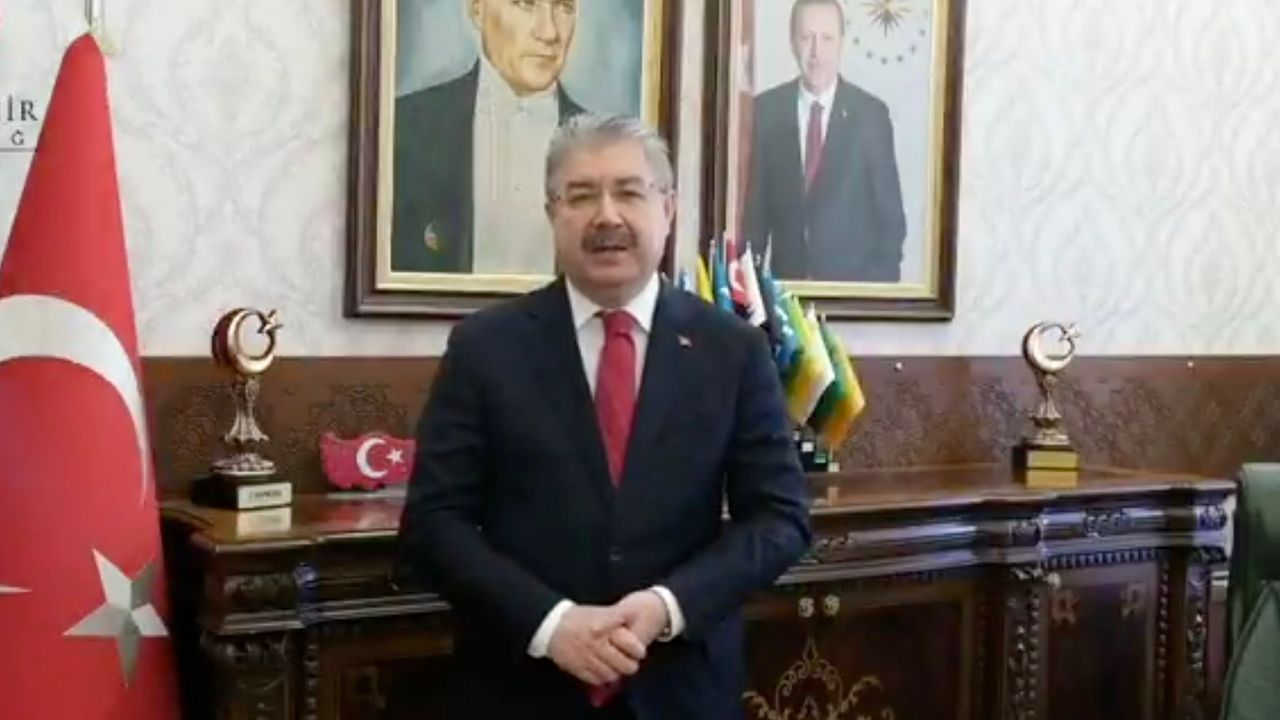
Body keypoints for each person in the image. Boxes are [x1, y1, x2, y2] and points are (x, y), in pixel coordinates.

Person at [398, 113, 813, 719]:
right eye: (581, 195)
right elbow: (433, 526)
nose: (607, 216)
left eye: (629, 192)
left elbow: (780, 519)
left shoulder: (734, 350)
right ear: (552, 214)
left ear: (667, 209)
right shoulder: (484, 348)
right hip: (521, 691)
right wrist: (552, 624)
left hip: (681, 690)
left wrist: (667, 606)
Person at [392, 0, 586, 275]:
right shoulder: (402, 128)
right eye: (526, 4)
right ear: (477, 9)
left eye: (564, 7)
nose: (549, 32)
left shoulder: (605, 148)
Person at [742, 0, 907, 282]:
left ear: (842, 41)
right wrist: (751, 295)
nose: (816, 53)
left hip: (853, 296)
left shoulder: (871, 117)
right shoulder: (765, 111)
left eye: (827, 38)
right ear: (792, 41)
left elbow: (891, 225)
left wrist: (873, 296)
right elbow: (753, 223)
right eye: (807, 38)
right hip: (786, 295)